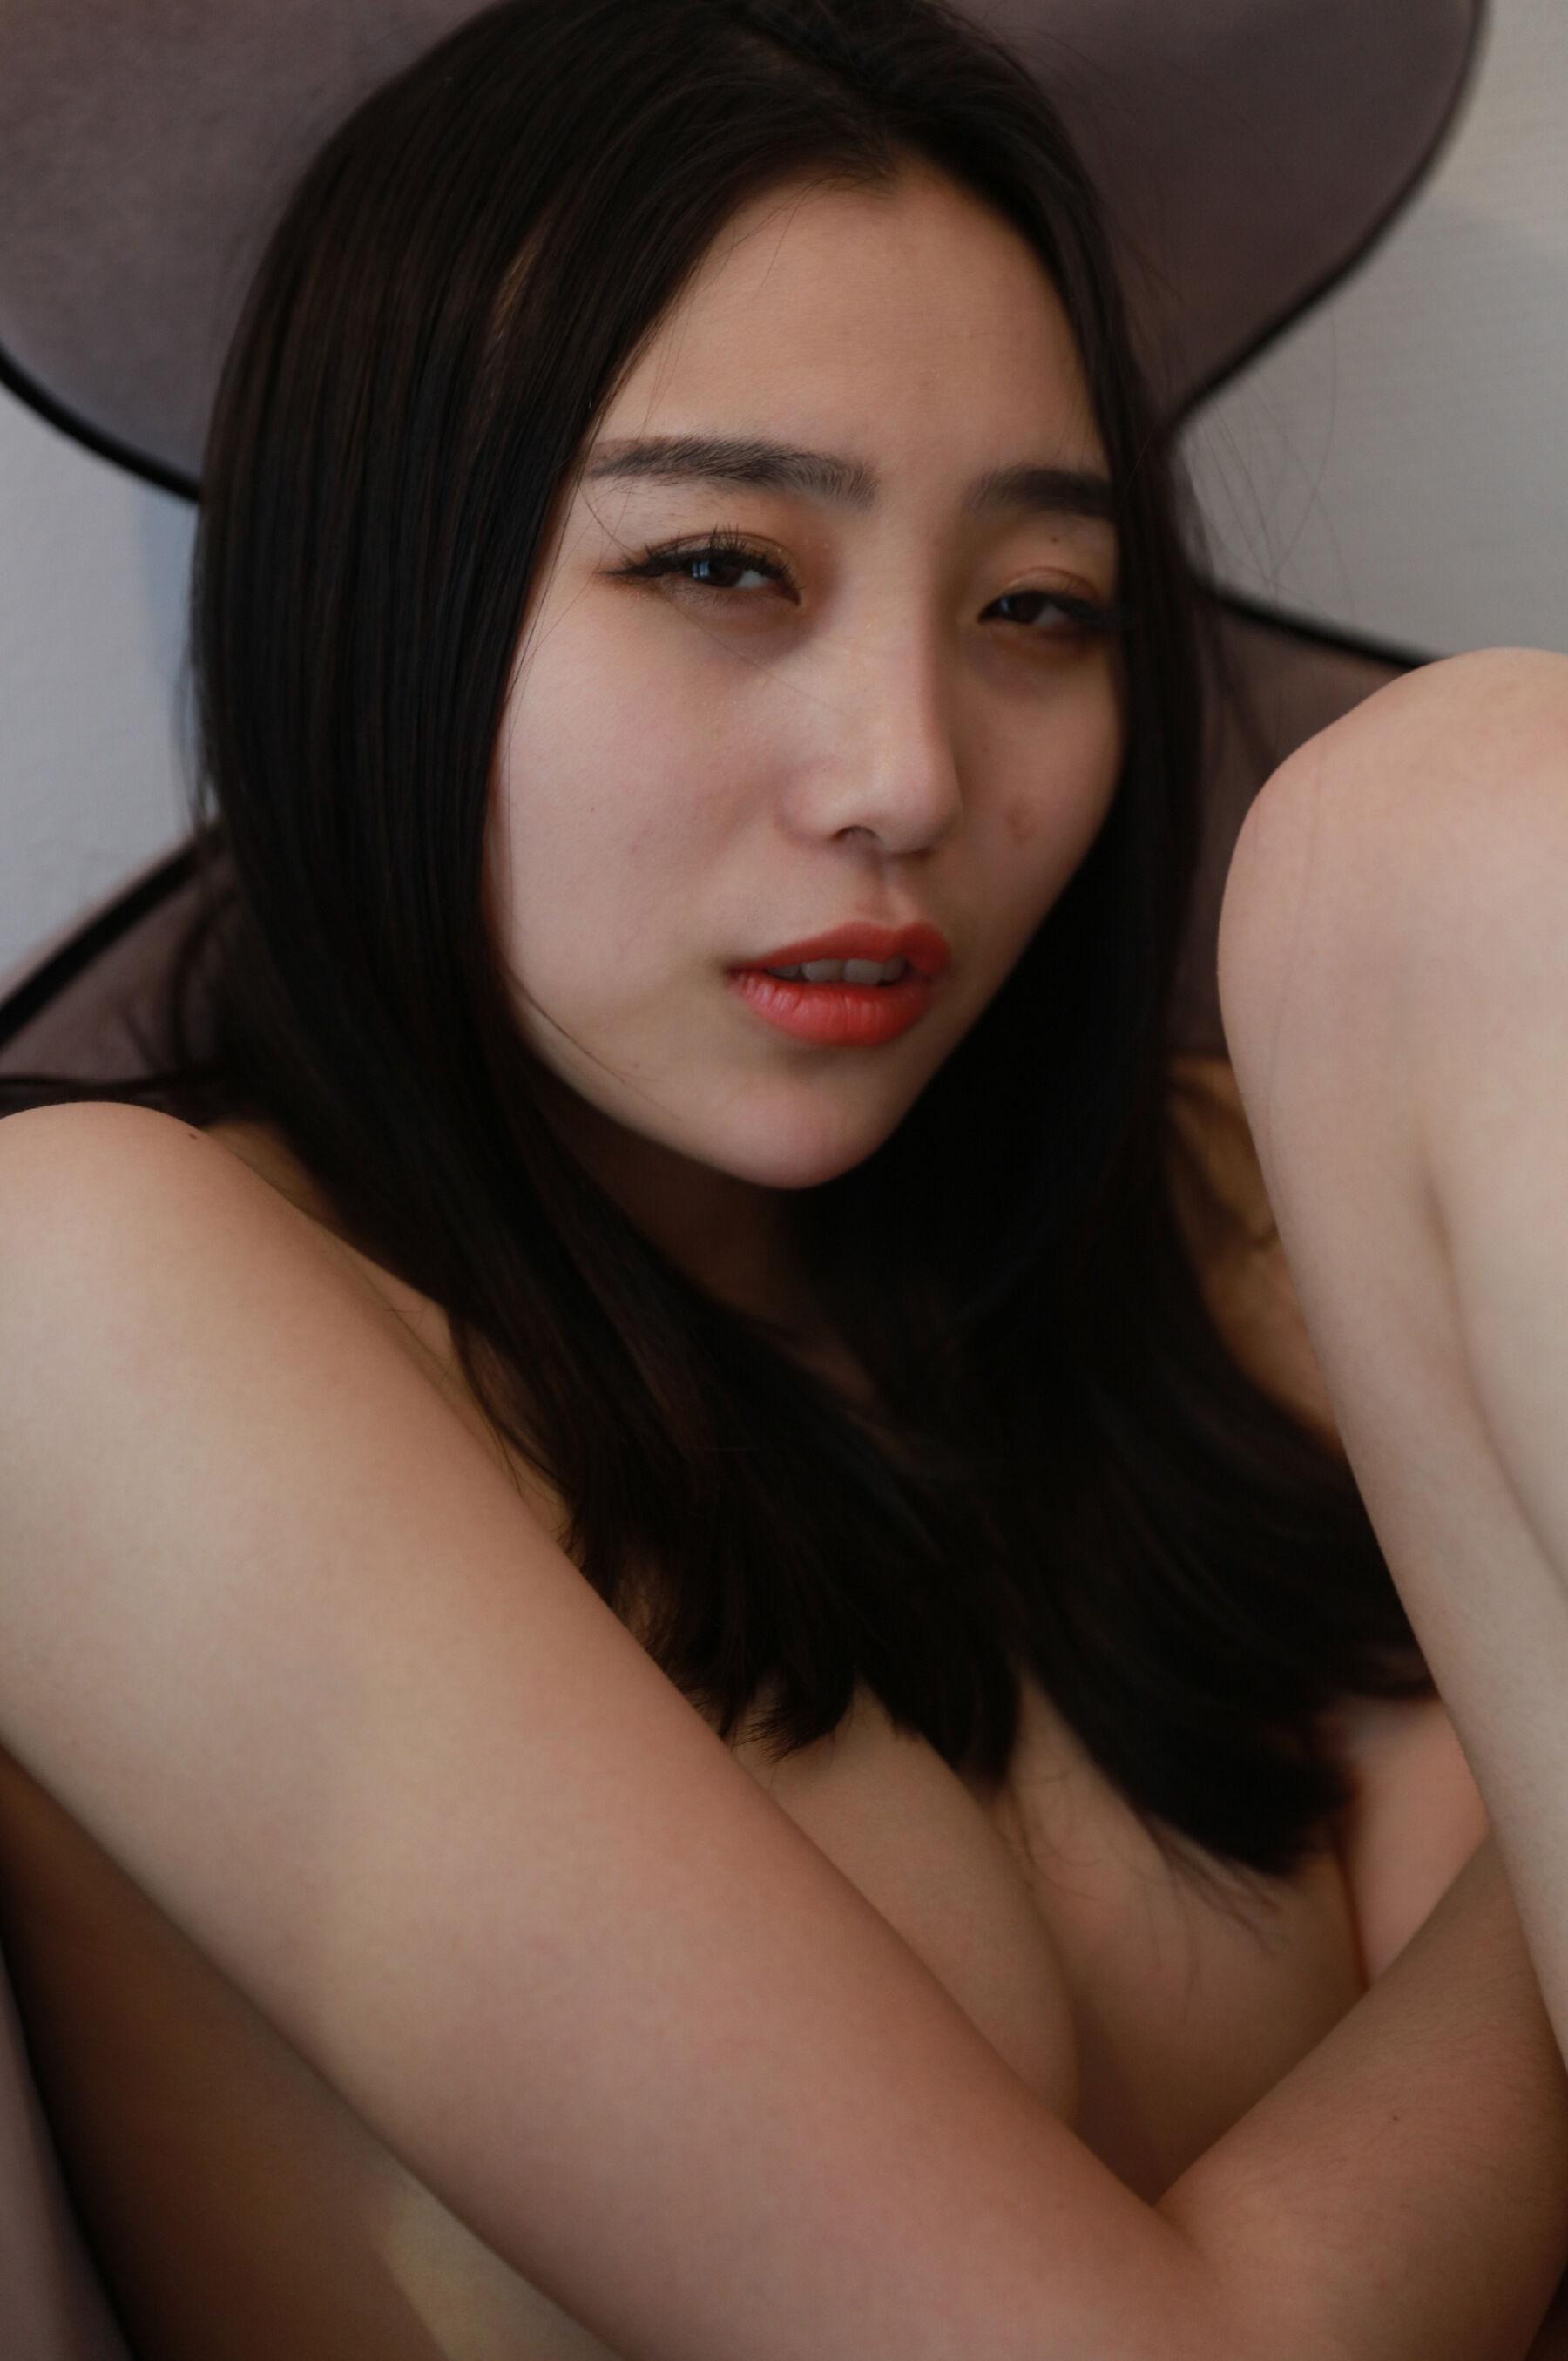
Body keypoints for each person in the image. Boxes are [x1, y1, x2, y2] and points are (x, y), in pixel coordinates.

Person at [1, 1, 1566, 2354]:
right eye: (725, 564)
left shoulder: (1205, 1227)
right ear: (377, 597)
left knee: (1457, 816)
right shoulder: (84, 1293)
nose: (908, 774)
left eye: (1038, 608)